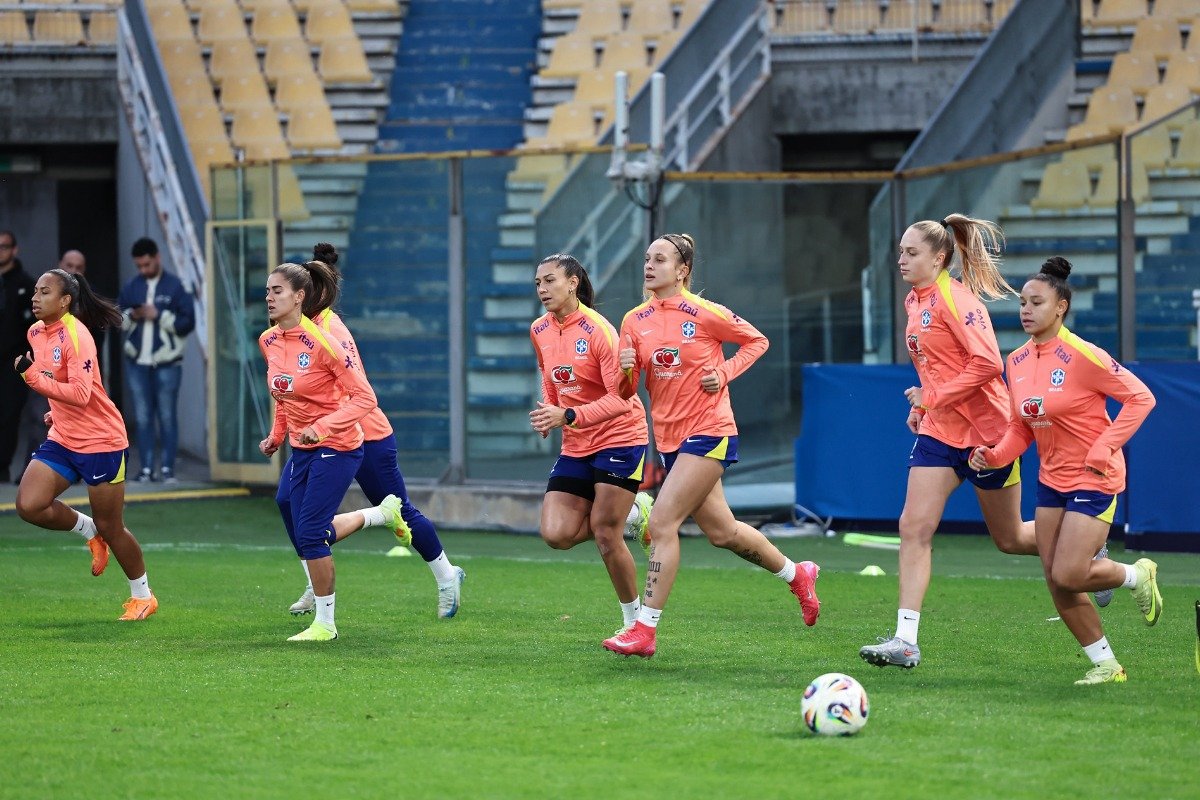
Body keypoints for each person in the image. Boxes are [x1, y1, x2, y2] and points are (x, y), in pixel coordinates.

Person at [602, 233, 820, 659]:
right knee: (723, 533)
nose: (649, 266)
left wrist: (724, 372)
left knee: (661, 523)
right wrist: (626, 371)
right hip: (670, 439)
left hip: (710, 430)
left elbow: (757, 341)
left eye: (660, 259)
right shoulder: (634, 320)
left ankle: (644, 631)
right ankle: (798, 575)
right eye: (647, 259)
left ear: (682, 270)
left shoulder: (704, 312)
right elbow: (626, 391)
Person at [858, 214, 1058, 670]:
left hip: (989, 433)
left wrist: (933, 396)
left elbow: (988, 363)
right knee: (913, 527)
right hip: (939, 433)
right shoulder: (914, 300)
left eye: (912, 253)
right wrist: (924, 404)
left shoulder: (957, 298)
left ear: (939, 258)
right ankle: (906, 640)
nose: (901, 259)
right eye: (901, 251)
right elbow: (934, 364)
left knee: (1010, 539)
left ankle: (1085, 548)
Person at [969, 257, 1159, 684]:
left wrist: (1104, 446)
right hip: (1051, 481)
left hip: (1095, 475)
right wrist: (994, 456)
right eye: (1022, 302)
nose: (1026, 310)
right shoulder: (1016, 360)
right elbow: (1021, 427)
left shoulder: (1084, 354)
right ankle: (1107, 665)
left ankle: (1137, 575)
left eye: (1036, 302)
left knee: (1069, 573)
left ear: (1061, 307)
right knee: (1056, 580)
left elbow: (1141, 398)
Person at [281, 244, 467, 620]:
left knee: (400, 509)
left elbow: (360, 394)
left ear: (307, 295)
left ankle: (447, 576)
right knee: (287, 501)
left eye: (286, 291)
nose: (278, 299)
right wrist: (282, 429)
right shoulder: (291, 332)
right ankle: (315, 580)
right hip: (318, 440)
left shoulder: (331, 331)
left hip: (365, 436)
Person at [13, 268, 158, 620]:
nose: (35, 297)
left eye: (44, 292)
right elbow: (59, 383)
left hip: (101, 441)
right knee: (29, 505)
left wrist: (31, 377)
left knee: (113, 526)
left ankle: (143, 596)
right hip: (64, 437)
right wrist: (55, 410)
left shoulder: (77, 336)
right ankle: (89, 530)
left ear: (65, 301)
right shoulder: (36, 332)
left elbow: (80, 393)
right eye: (35, 291)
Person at [258, 260, 390, 642]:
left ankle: (325, 625)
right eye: (267, 291)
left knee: (312, 533)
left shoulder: (324, 342)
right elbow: (284, 394)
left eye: (277, 291)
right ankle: (376, 515)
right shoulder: (268, 340)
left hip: (339, 445)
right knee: (290, 508)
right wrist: (276, 435)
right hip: (302, 448)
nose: (269, 298)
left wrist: (323, 426)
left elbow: (365, 398)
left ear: (299, 297)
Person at [529, 253, 654, 640]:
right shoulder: (539, 329)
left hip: (621, 436)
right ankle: (635, 512)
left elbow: (622, 400)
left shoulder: (599, 330)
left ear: (573, 283)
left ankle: (634, 623)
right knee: (556, 534)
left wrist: (567, 415)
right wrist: (550, 410)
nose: (542, 289)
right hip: (577, 441)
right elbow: (549, 375)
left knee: (604, 533)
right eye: (538, 283)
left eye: (550, 280)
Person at [117, 237, 195, 484]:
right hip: (137, 363)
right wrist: (133, 315)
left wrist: (158, 315)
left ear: (158, 258)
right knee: (142, 418)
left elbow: (187, 323)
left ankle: (167, 470)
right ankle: (146, 469)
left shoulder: (176, 286)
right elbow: (118, 321)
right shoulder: (131, 286)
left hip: (167, 363)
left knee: (167, 417)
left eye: (147, 264)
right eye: (139, 266)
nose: (143, 270)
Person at [0, 230, 36, 483]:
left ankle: (2, 467)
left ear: (14, 250)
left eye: (4, 246)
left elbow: (35, 325)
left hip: (14, 362)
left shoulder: (26, 284)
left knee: (9, 415)